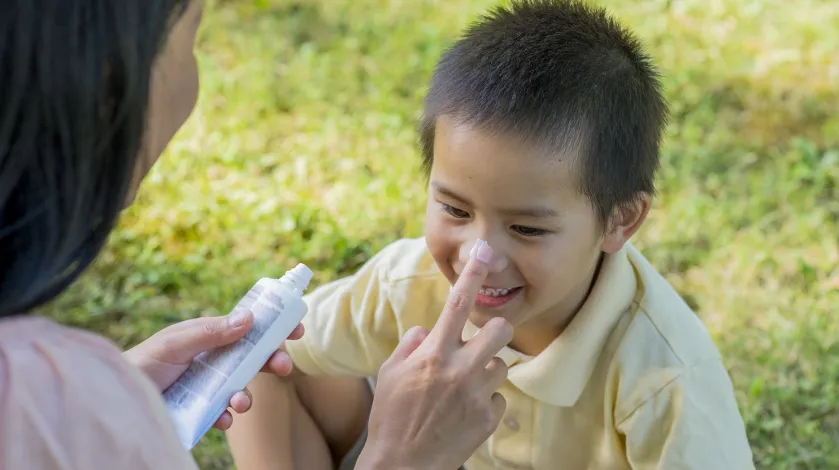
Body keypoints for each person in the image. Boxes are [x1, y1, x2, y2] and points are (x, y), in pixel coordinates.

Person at [227, 0, 756, 469]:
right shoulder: (405, 284)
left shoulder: (664, 382)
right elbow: (266, 348)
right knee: (259, 359)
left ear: (619, 220)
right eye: (455, 209)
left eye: (526, 227)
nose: (478, 256)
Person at [0, 0, 515, 468]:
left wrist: (111, 392)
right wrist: (400, 460)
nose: (483, 254)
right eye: (192, 35)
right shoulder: (48, 411)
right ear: (108, 83)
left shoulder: (54, 401)